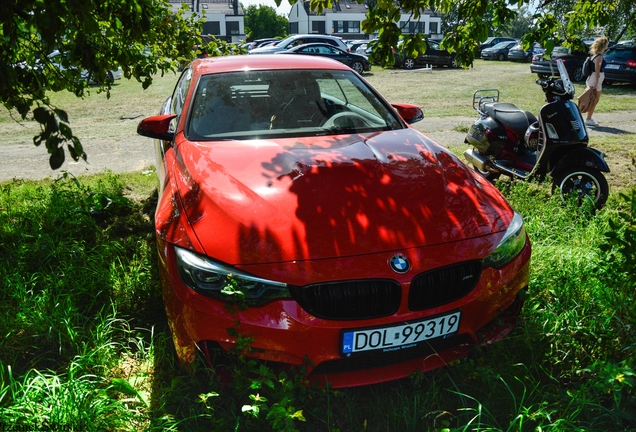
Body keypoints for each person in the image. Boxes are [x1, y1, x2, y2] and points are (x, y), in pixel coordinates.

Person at [583, 36, 609, 127]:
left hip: (594, 79)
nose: (607, 45)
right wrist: (597, 83)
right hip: (595, 79)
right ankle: (588, 119)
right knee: (593, 99)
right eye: (606, 43)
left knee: (591, 99)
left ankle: (587, 118)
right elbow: (597, 71)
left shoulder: (595, 55)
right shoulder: (599, 57)